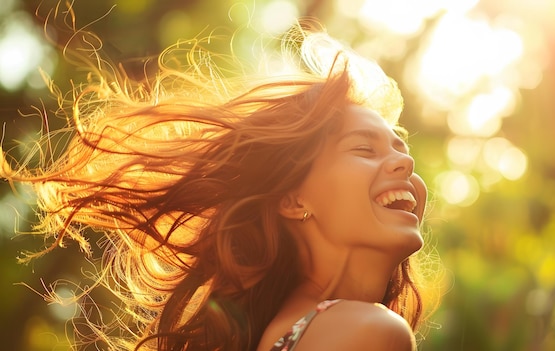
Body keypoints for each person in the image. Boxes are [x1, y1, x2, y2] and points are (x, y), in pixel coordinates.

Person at [1, 10, 440, 351]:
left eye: (401, 149)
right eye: (364, 149)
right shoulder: (368, 331)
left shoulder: (287, 331)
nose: (404, 165)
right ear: (292, 198)